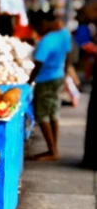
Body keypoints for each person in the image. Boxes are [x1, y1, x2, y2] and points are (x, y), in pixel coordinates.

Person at [29, 11, 72, 160]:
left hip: (45, 80)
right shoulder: (64, 34)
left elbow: (38, 64)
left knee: (42, 114)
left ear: (44, 23)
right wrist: (65, 74)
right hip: (58, 77)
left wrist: (29, 82)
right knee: (53, 112)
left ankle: (52, 151)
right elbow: (68, 55)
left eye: (38, 27)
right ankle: (54, 148)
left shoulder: (46, 41)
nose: (38, 30)